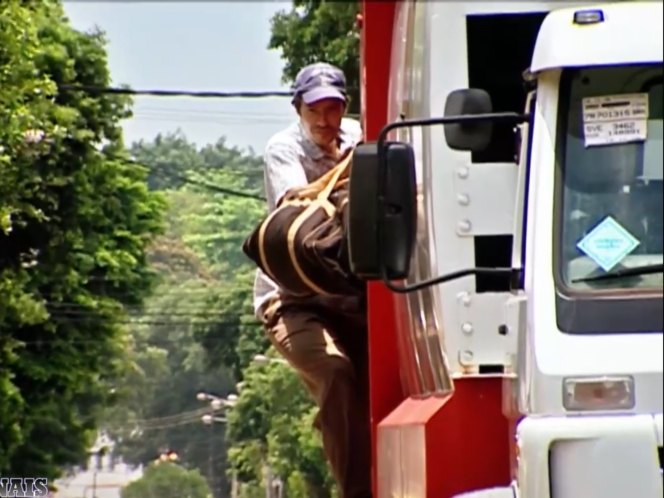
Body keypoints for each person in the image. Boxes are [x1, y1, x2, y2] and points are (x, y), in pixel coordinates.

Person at [252, 62, 372, 498]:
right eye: (314, 110)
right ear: (298, 108)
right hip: (293, 301)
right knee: (337, 373)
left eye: (333, 109)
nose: (325, 121)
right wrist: (351, 168)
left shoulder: (360, 136)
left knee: (379, 387)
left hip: (351, 298)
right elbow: (301, 207)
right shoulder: (282, 150)